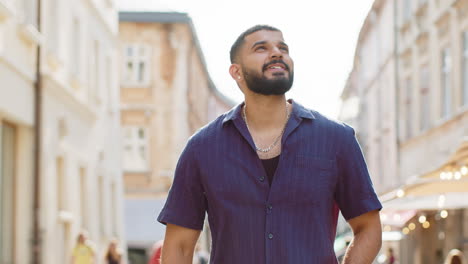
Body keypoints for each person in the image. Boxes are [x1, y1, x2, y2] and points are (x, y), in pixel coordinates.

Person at [158, 25, 382, 263]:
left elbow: (368, 227)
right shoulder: (201, 148)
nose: (277, 53)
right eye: (261, 48)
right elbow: (179, 246)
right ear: (237, 72)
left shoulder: (337, 139)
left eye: (282, 47)